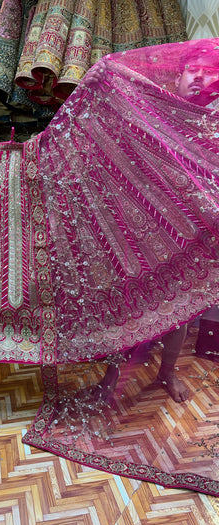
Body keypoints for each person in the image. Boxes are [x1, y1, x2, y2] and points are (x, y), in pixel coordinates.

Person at [92, 44, 219, 404]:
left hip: (193, 232)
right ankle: (110, 379)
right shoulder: (151, 108)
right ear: (178, 76)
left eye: (210, 73)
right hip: (143, 224)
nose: (199, 76)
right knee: (132, 303)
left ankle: (166, 373)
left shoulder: (213, 129)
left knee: (181, 308)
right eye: (193, 69)